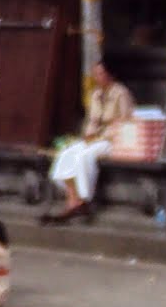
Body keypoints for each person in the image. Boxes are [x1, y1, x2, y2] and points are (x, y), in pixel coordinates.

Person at [46, 62, 135, 222]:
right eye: (96, 74)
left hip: (111, 140)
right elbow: (91, 120)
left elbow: (126, 121)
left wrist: (108, 134)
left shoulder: (121, 93)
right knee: (66, 154)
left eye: (100, 74)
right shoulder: (95, 94)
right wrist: (87, 134)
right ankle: (72, 200)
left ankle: (85, 200)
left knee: (84, 157)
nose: (97, 77)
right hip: (92, 138)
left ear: (110, 75)